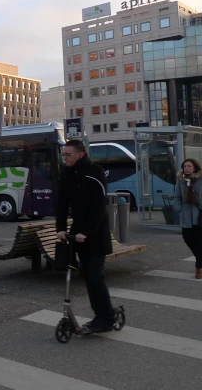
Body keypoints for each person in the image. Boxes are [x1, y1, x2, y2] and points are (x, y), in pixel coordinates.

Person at [56, 140, 116, 333]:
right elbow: (62, 204)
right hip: (78, 233)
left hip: (96, 233)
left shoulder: (94, 172)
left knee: (95, 277)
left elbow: (99, 207)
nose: (64, 158)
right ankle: (102, 314)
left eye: (67, 155)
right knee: (88, 277)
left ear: (80, 154)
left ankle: (106, 319)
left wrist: (87, 232)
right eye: (63, 155)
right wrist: (61, 228)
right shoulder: (66, 174)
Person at [173, 158, 202, 279]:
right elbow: (177, 197)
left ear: (195, 167)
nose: (186, 168)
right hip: (185, 215)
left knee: (199, 241)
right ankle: (200, 256)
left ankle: (199, 267)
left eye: (189, 166)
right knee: (187, 238)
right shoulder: (181, 180)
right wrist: (179, 209)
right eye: (185, 166)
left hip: (199, 216)